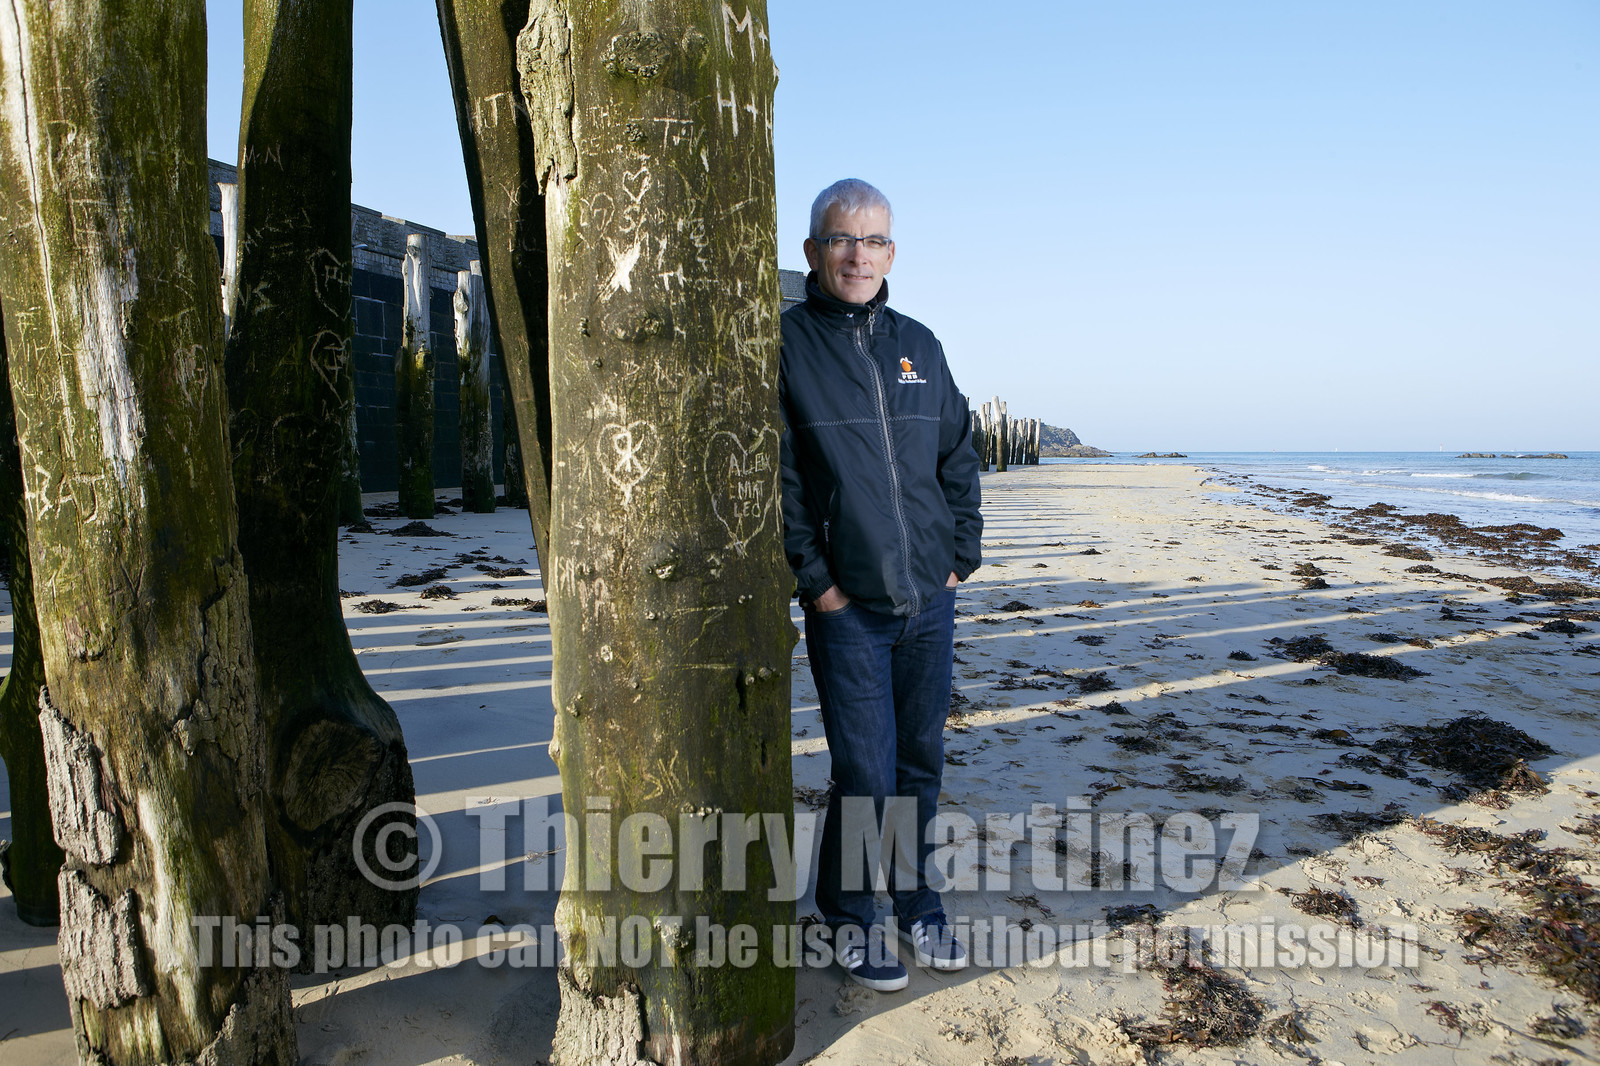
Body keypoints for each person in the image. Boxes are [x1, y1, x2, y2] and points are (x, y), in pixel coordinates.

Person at [779, 178, 983, 991]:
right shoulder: (790, 346)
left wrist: (958, 557)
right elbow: (781, 478)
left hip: (928, 602)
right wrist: (817, 582)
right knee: (865, 770)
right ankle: (851, 918)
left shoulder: (919, 346)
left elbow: (958, 457)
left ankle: (916, 905)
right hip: (849, 606)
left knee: (919, 765)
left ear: (892, 252)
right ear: (812, 252)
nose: (858, 255)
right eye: (841, 239)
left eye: (873, 241)